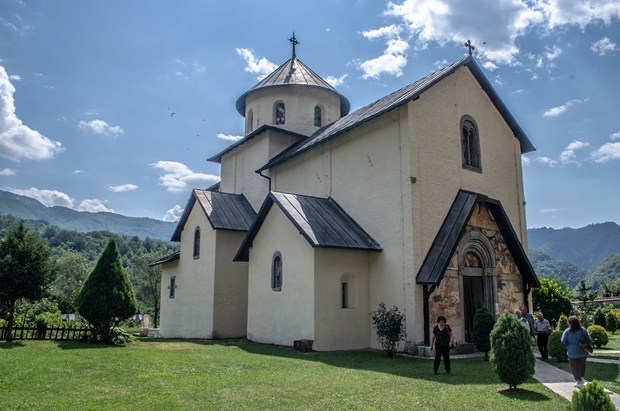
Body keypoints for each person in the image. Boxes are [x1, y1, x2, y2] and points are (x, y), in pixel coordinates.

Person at [561, 315, 593, 388]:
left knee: (575, 367)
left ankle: (578, 381)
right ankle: (581, 378)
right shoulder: (583, 330)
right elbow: (590, 340)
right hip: (582, 352)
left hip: (572, 353)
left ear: (570, 323)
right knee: (582, 366)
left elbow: (563, 341)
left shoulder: (567, 331)